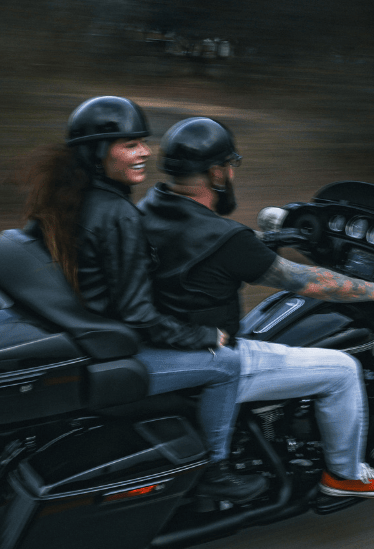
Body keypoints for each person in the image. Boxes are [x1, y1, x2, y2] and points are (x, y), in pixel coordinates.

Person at [139, 117, 374, 498]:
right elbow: (306, 281)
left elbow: (198, 246)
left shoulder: (148, 208)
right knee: (342, 370)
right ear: (217, 173)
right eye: (230, 165)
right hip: (211, 354)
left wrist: (260, 241)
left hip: (159, 347)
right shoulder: (226, 239)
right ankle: (345, 474)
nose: (230, 173)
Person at [17, 97, 266, 503]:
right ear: (98, 151)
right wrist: (204, 334)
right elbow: (138, 316)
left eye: (143, 143)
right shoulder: (117, 215)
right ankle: (214, 474)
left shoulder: (64, 196)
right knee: (228, 363)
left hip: (75, 333)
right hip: (113, 351)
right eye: (129, 144)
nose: (145, 152)